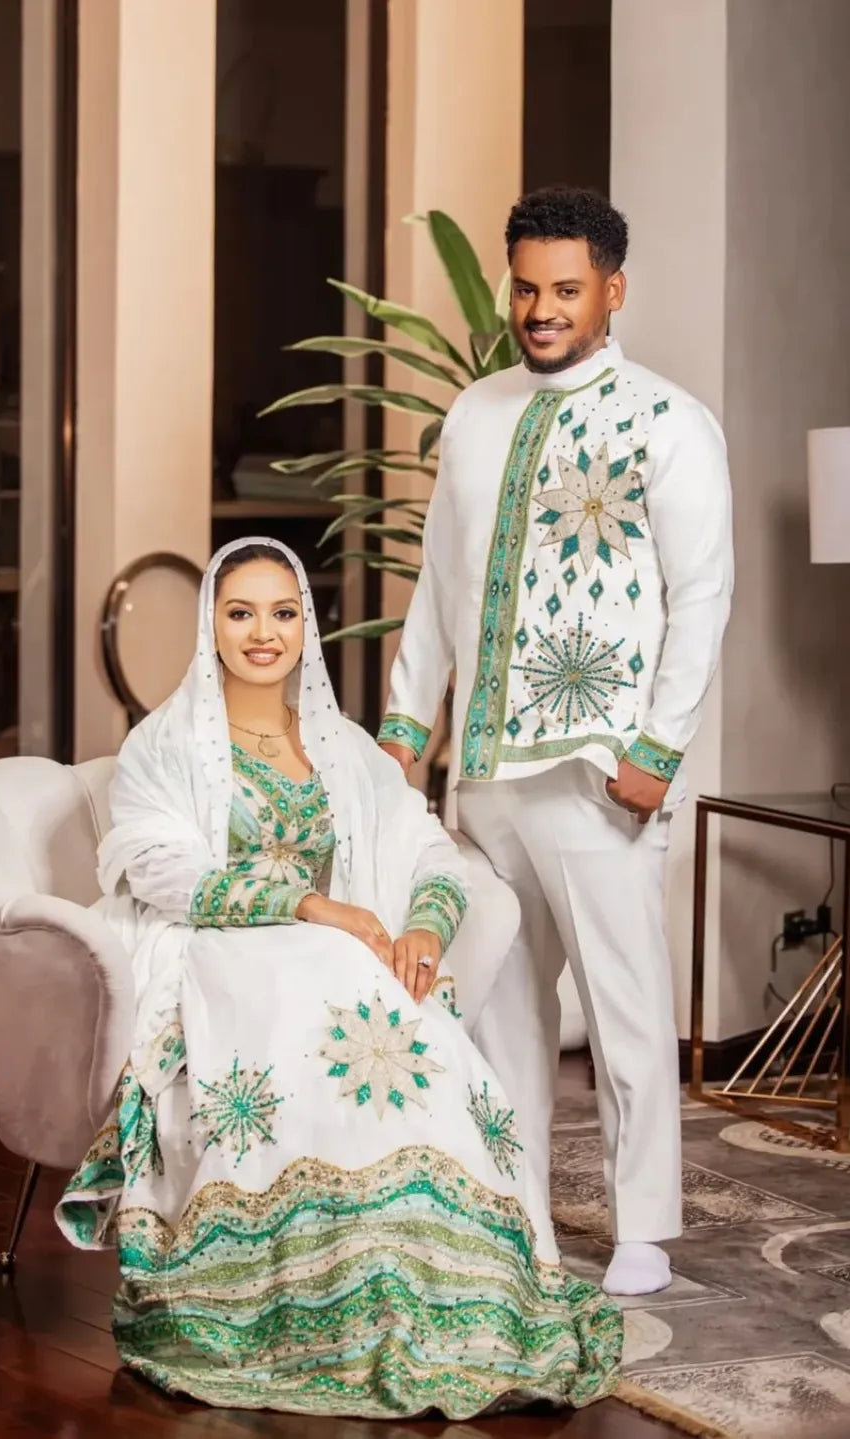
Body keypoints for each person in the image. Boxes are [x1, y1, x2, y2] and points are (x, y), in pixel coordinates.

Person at [55, 537, 622, 1419]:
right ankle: (295, 1304)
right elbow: (157, 866)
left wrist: (428, 921)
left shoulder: (340, 745)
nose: (262, 633)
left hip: (340, 962)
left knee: (422, 1045)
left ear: (304, 626)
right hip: (229, 953)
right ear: (210, 621)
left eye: (283, 613)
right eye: (240, 612)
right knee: (324, 1019)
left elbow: (426, 840)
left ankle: (436, 1286)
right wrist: (317, 908)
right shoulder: (163, 743)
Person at [378, 186, 734, 1298]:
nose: (540, 309)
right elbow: (439, 580)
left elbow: (703, 595)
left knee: (623, 1004)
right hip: (481, 775)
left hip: (597, 775)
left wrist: (659, 750)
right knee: (502, 1004)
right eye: (526, 288)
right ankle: (518, 1200)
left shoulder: (670, 424)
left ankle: (643, 1226)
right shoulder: (475, 414)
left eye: (565, 290)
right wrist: (403, 724)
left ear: (613, 291)